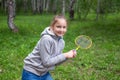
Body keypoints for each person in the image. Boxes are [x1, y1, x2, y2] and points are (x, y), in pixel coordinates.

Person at [22, 14, 77, 80]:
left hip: (44, 73)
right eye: (58, 27)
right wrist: (65, 55)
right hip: (31, 71)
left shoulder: (61, 42)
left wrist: (68, 56)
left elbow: (55, 62)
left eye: (64, 27)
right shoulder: (46, 39)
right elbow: (46, 62)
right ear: (52, 27)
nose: (61, 30)